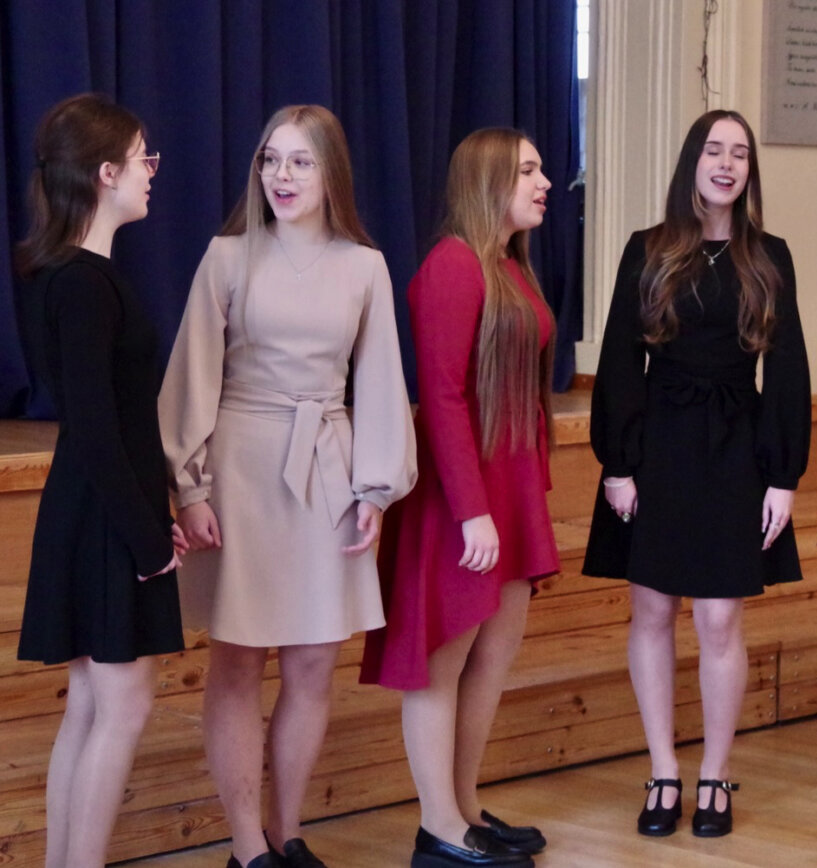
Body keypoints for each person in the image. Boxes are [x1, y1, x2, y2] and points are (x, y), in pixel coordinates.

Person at [158, 105, 416, 868]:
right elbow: (191, 375)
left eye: (300, 161)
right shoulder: (227, 256)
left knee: (312, 664)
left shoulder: (364, 266)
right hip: (241, 470)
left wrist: (374, 490)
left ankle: (286, 832)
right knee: (238, 661)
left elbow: (381, 379)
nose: (281, 175)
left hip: (327, 471)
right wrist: (190, 488)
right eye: (271, 159)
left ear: (331, 170)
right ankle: (246, 847)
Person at [582, 109, 811, 839]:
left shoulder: (769, 255)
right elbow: (620, 358)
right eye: (714, 150)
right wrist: (618, 465)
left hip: (737, 445)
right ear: (692, 162)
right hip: (659, 444)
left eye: (740, 153)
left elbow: (790, 368)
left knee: (718, 618)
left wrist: (783, 476)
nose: (727, 164)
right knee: (652, 611)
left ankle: (714, 773)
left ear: (749, 171)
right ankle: (663, 770)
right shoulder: (648, 249)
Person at [359, 127, 556, 868]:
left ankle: (465, 806)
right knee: (445, 662)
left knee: (493, 656)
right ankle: (438, 826)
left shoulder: (508, 265)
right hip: (461, 497)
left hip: (509, 488)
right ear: (489, 180)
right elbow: (441, 397)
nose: (544, 183)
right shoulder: (452, 265)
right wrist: (473, 510)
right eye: (528, 170)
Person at [13, 92, 184, 868]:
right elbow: (95, 429)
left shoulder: (78, 276)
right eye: (144, 158)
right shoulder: (82, 283)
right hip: (105, 520)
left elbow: (116, 425)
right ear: (106, 173)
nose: (153, 171)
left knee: (90, 706)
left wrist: (158, 515)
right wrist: (147, 541)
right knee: (120, 706)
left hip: (101, 512)